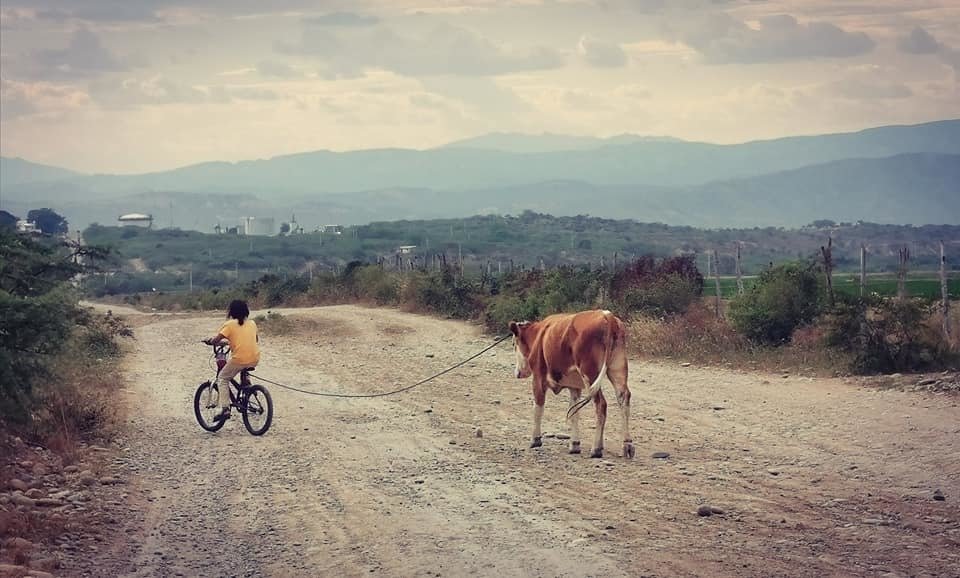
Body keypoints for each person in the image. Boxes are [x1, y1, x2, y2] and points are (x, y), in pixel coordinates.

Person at [204, 300, 260, 420]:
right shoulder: (252, 323)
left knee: (223, 379)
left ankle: (225, 409)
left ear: (231, 311)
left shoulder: (229, 324)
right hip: (255, 358)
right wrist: (231, 342)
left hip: (239, 359)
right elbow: (254, 340)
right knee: (243, 366)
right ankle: (246, 383)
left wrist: (210, 341)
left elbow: (216, 340)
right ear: (246, 311)